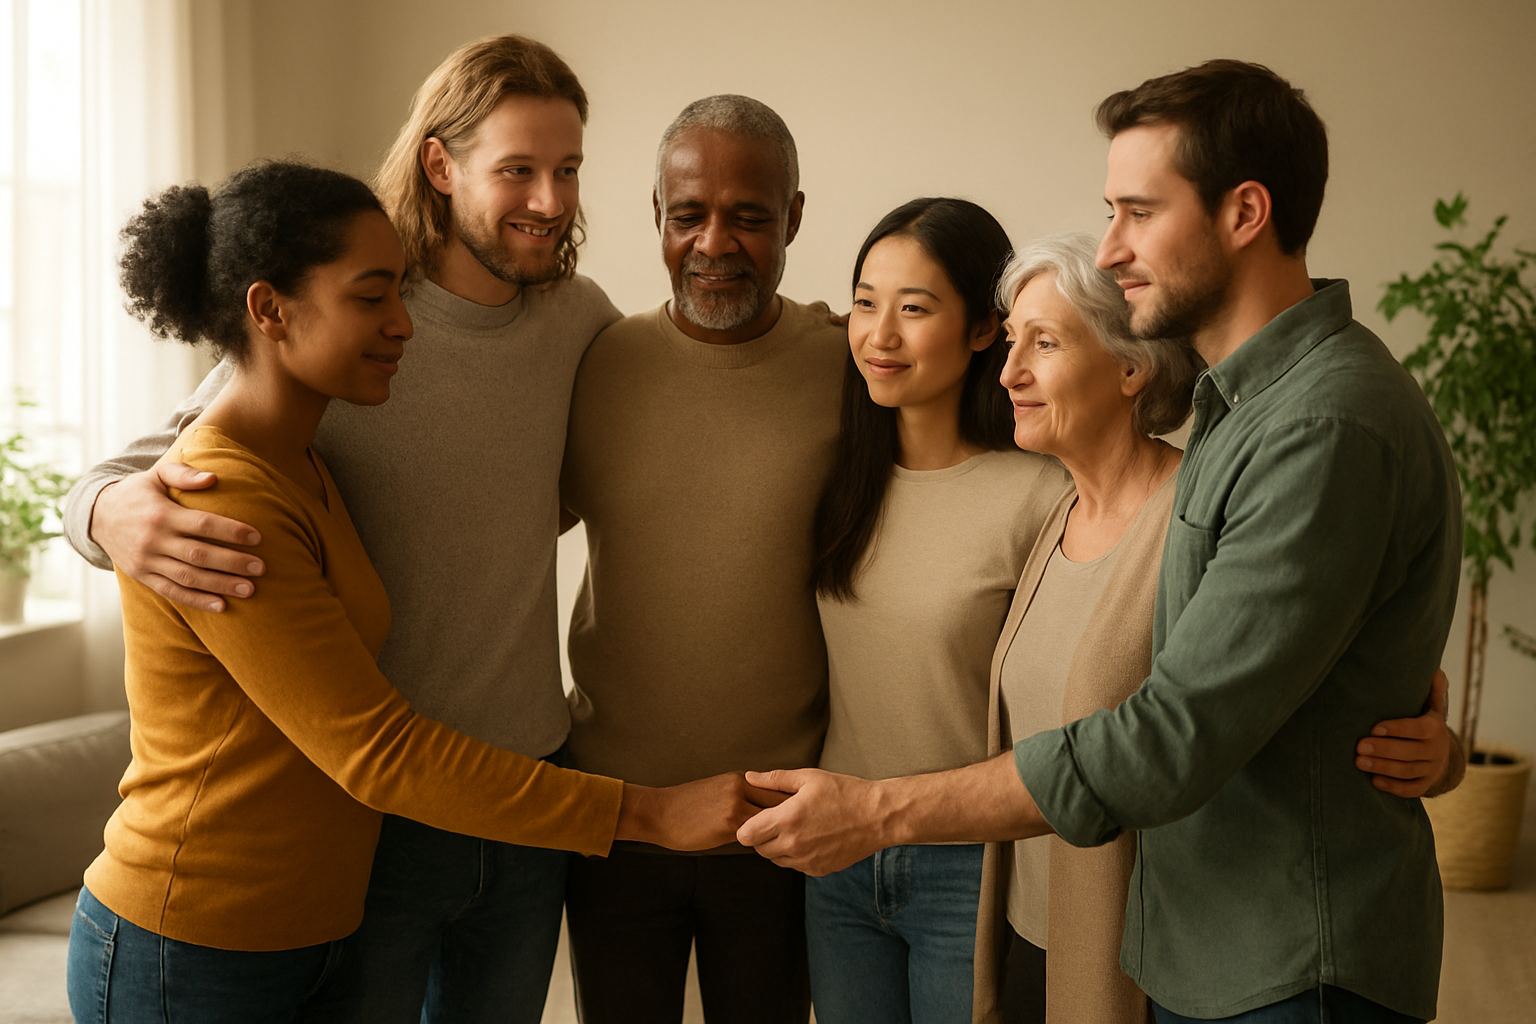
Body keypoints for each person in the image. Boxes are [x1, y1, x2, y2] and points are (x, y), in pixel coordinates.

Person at [738, 60, 1463, 1024]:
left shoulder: (1318, 428)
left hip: (1290, 966)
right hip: (1196, 947)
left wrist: (877, 811)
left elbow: (1169, 733)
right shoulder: (1236, 416)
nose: (1115, 249)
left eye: (1137, 211)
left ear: (1245, 213)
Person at [66, 161, 768, 1024]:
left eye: (400, 292)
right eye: (371, 298)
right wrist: (653, 814)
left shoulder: (308, 466)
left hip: (315, 930)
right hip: (196, 942)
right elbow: (379, 752)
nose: (404, 323)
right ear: (268, 309)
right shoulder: (223, 501)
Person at [558, 95, 845, 1024]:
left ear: (794, 218)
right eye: (689, 215)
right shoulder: (596, 362)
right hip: (615, 816)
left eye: (750, 217)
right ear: (656, 216)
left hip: (781, 826)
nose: (715, 243)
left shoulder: (853, 368)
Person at [806, 198, 1072, 1024]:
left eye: (914, 308)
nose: (879, 335)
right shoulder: (839, 477)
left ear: (984, 329)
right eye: (864, 301)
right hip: (837, 856)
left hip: (973, 870)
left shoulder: (1041, 494)